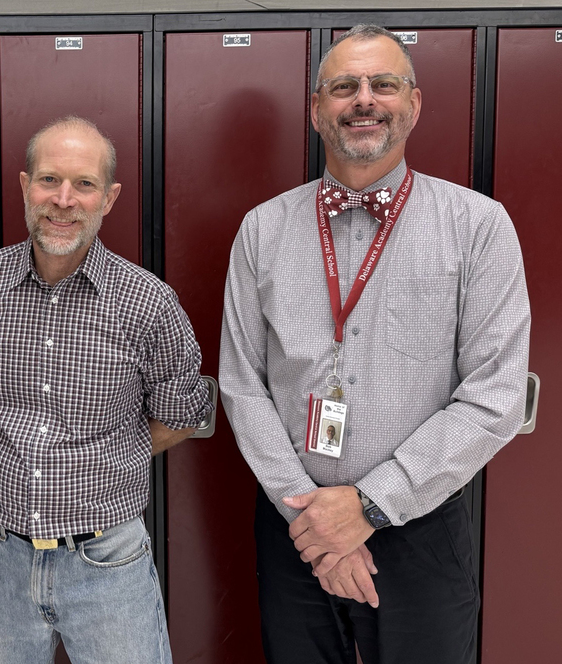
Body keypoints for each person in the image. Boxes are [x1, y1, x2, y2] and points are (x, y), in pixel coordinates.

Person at [218, 25, 530, 664]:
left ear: (413, 104)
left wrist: (368, 506)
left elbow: (495, 394)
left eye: (383, 84)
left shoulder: (478, 226)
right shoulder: (261, 230)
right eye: (344, 87)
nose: (364, 99)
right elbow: (242, 381)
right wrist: (312, 521)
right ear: (315, 110)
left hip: (421, 526)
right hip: (294, 525)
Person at [0, 116, 212, 664]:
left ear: (109, 197)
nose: (63, 200)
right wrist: (4, 453)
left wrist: (106, 459)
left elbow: (182, 412)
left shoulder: (148, 302)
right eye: (49, 180)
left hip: (107, 559)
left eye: (84, 184)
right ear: (24, 186)